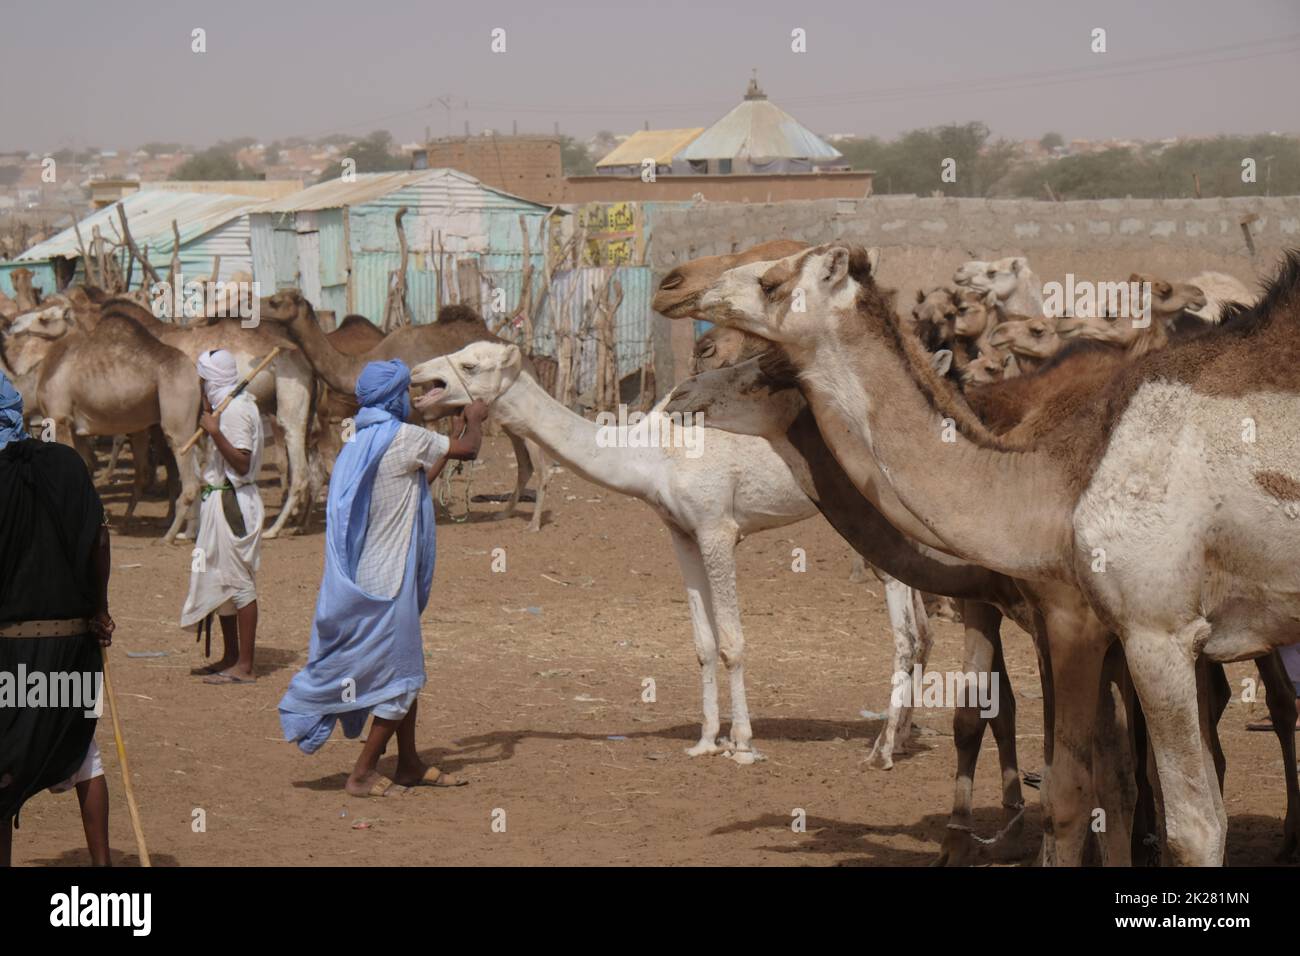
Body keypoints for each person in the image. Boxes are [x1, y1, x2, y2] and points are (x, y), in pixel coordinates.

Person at [279, 359, 487, 796]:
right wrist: (475, 419)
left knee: (398, 671)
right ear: (393, 397)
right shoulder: (404, 436)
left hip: (371, 574)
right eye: (405, 392)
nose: (409, 399)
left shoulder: (360, 440)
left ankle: (408, 763)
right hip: (390, 581)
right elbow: (467, 450)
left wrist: (447, 444)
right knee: (406, 676)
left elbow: (415, 484)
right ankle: (363, 772)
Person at [0, 371, 114, 866]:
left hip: (11, 650)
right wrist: (99, 608)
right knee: (83, 753)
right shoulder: (67, 464)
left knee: (4, 761)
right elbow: (100, 539)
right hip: (73, 644)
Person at [181, 349, 264, 685]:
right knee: (221, 581)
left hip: (232, 501)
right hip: (218, 499)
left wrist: (214, 430)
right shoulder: (225, 407)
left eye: (203, 378)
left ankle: (244, 666)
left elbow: (242, 463)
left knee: (239, 584)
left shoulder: (236, 411)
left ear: (212, 379)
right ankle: (231, 657)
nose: (200, 384)